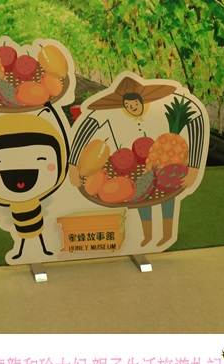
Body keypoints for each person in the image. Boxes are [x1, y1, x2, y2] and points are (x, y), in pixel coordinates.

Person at [68, 75, 206, 247]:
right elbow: (86, 127)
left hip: (164, 162)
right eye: (128, 105)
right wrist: (73, 164)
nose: (132, 107)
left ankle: (166, 234)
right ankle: (147, 236)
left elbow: (196, 118)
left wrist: (194, 167)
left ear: (142, 100)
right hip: (129, 167)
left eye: (135, 103)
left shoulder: (159, 108)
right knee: (141, 197)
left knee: (167, 198)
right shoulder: (109, 113)